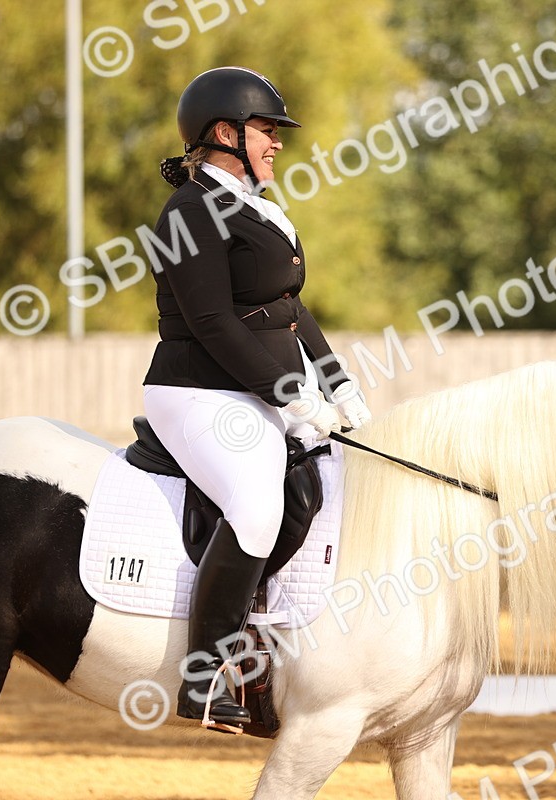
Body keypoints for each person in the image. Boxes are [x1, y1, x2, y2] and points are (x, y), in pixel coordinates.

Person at [142, 66, 371, 731]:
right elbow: (212, 323)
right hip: (195, 390)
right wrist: (293, 396)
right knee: (258, 498)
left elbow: (290, 306)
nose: (276, 143)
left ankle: (262, 649)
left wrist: (336, 379)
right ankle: (204, 674)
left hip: (254, 390)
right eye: (266, 131)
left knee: (314, 487)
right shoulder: (188, 212)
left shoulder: (253, 205)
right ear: (225, 133)